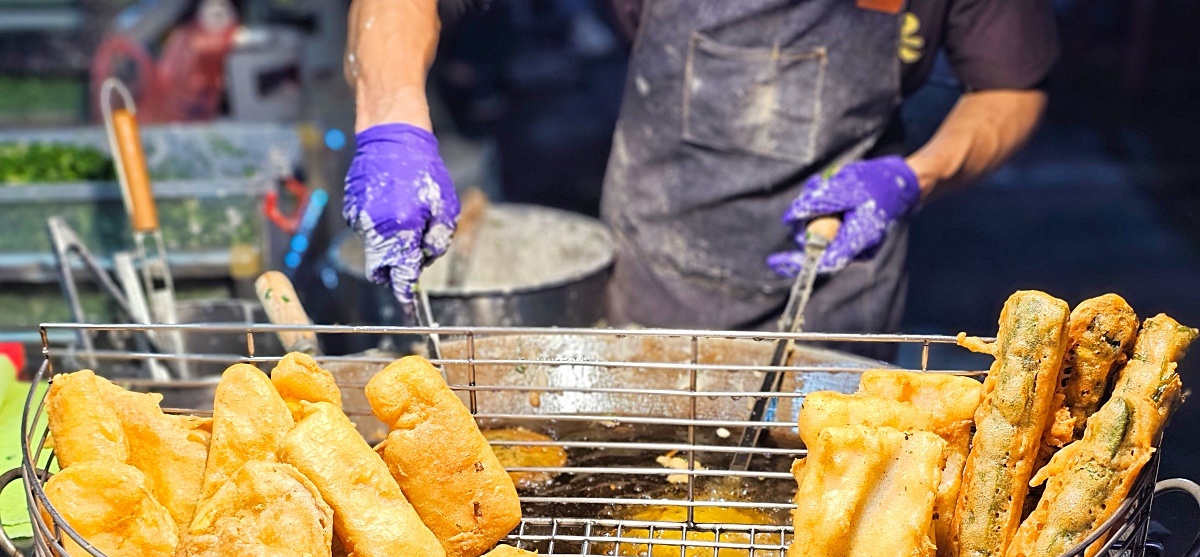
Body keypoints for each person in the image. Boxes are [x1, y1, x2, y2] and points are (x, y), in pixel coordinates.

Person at [342, 0, 1057, 334]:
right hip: (653, 281)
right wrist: (393, 123)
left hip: (838, 293)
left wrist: (917, 175)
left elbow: (1010, 85)